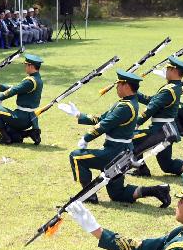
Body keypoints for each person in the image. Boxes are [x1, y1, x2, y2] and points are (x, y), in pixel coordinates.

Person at [64, 70, 170, 207]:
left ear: (126, 86)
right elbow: (102, 118)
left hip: (114, 153)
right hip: (122, 153)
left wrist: (86, 138)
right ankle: (157, 190)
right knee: (117, 194)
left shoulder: (125, 107)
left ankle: (89, 195)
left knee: (76, 157)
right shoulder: (126, 103)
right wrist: (79, 115)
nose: (116, 87)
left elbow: (104, 125)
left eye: (118, 84)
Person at [133, 56, 183, 177]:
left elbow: (151, 108)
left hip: (159, 130)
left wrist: (137, 122)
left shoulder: (169, 90)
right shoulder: (174, 87)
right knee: (167, 165)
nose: (166, 71)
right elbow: (152, 101)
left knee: (131, 139)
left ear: (174, 71)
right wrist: (133, 92)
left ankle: (142, 169)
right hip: (168, 130)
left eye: (168, 68)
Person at [0, 53, 44, 144]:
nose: (25, 67)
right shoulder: (37, 79)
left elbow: (15, 90)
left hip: (22, 117)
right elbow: (18, 88)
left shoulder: (30, 81)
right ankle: (30, 133)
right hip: (31, 118)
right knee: (11, 132)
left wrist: (0, 97)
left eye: (26, 65)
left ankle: (6, 138)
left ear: (31, 66)